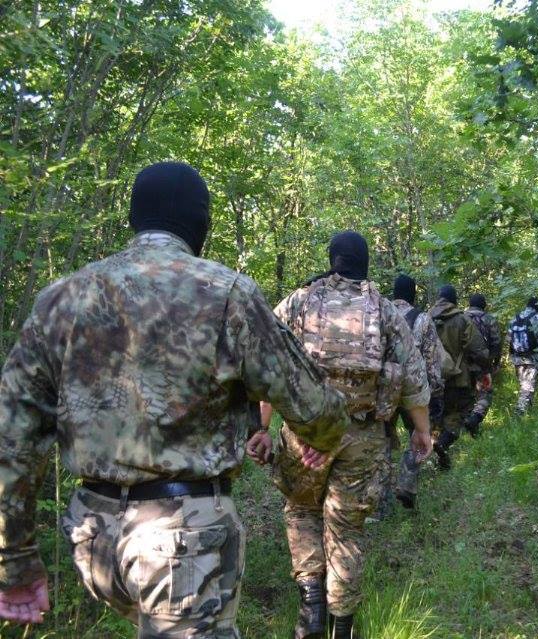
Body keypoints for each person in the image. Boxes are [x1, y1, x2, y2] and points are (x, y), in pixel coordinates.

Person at [0, 162, 348, 637]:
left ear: (134, 218)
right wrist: (324, 436)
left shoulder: (61, 299)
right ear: (199, 222)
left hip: (92, 534)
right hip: (183, 542)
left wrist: (15, 563)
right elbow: (313, 404)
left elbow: (12, 438)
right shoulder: (226, 294)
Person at [255, 232, 432, 639]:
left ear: (332, 259)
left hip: (305, 433)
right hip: (362, 435)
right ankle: (343, 625)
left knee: (302, 510)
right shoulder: (384, 311)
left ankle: (311, 605)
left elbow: (269, 370)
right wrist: (422, 430)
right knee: (347, 527)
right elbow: (414, 380)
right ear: (365, 262)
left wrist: (262, 428)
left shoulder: (298, 303)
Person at [381, 274, 445, 511]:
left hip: (385, 388)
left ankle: (380, 505)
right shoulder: (422, 319)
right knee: (418, 436)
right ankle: (407, 483)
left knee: (383, 441)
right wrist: (435, 390)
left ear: (394, 293)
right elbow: (431, 359)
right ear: (413, 294)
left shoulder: (379, 313)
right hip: (412, 388)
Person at [429, 285, 489, 470]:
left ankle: (436, 456)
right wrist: (485, 371)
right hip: (457, 379)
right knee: (458, 415)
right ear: (454, 300)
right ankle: (443, 444)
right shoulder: (462, 320)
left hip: (430, 379)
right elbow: (478, 349)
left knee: (435, 418)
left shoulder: (425, 318)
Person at [464, 293, 502, 436]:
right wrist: (495, 363)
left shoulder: (461, 317)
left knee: (467, 395)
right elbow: (496, 343)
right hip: (482, 365)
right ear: (483, 305)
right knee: (485, 394)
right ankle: (475, 418)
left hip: (463, 366)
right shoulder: (489, 319)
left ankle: (468, 422)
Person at [508, 297, 538, 415]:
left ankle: (527, 414)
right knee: (528, 387)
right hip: (533, 358)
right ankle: (519, 412)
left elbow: (509, 339)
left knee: (525, 385)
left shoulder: (515, 318)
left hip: (517, 358)